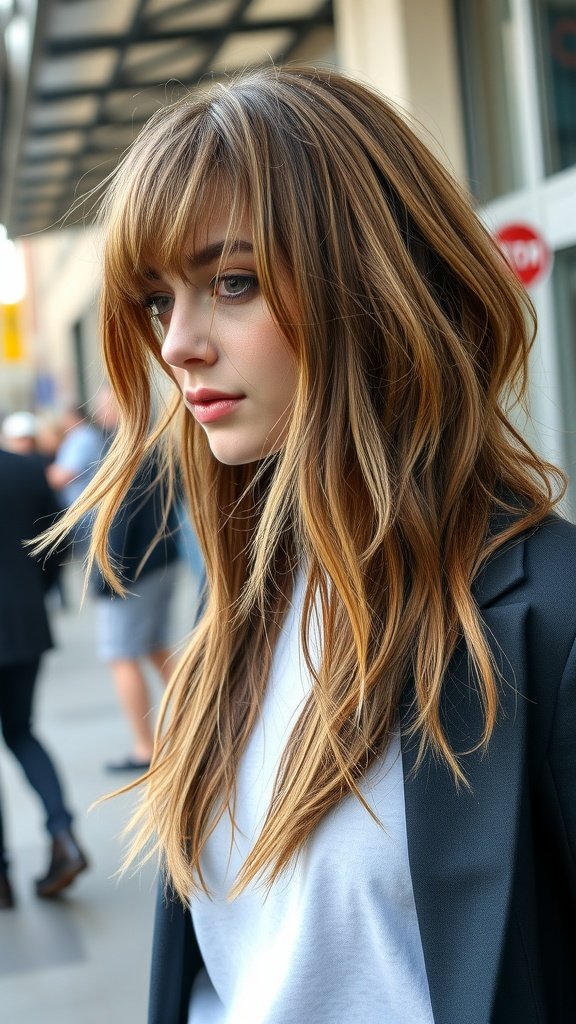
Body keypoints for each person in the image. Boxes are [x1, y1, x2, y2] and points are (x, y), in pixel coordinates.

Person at [39, 66, 576, 1022]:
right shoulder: (245, 605)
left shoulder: (551, 621)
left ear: (377, 284)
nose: (179, 343)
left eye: (231, 282)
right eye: (161, 300)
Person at [0, 445, 89, 908]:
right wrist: (38, 593)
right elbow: (58, 542)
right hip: (23, 624)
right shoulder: (25, 470)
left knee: (21, 733)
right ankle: (63, 835)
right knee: (22, 732)